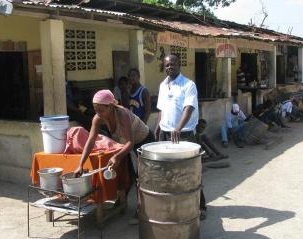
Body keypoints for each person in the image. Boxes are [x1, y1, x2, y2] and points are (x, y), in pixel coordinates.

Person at [74, 90, 155, 219]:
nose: (98, 113)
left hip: (144, 141)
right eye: (96, 109)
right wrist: (80, 164)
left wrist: (116, 156)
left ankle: (143, 211)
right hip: (126, 145)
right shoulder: (98, 118)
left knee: (143, 178)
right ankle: (121, 203)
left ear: (111, 106)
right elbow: (90, 141)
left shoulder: (122, 114)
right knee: (127, 174)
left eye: (101, 109)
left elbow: (131, 142)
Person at [154, 54, 207, 219]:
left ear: (179, 65)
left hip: (183, 135)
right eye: (168, 65)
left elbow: (189, 108)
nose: (171, 67)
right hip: (165, 133)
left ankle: (201, 206)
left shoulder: (188, 85)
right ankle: (175, 205)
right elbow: (161, 108)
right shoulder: (163, 85)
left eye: (174, 64)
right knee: (167, 172)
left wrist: (178, 127)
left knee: (189, 173)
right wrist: (157, 126)